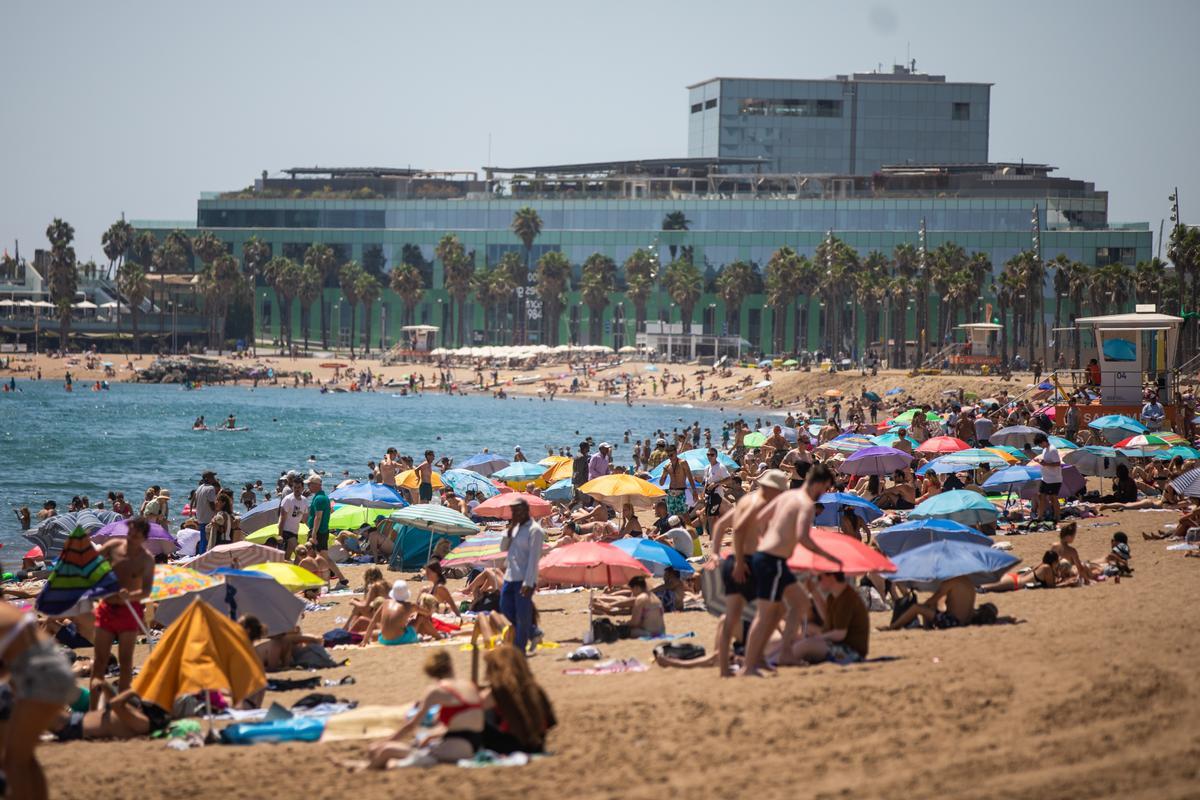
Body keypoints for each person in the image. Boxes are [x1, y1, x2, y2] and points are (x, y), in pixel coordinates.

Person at [740, 464, 842, 677]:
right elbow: (804, 538)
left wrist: (769, 538)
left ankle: (782, 653)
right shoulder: (805, 503)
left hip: (771, 560)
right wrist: (828, 557)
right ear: (820, 484)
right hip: (771, 561)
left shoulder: (788, 495)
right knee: (766, 613)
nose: (824, 494)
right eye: (825, 489)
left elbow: (760, 520)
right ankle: (749, 665)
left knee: (799, 602)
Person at [709, 468, 788, 677]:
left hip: (741, 561)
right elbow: (739, 529)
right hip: (745, 564)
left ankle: (732, 668)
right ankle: (752, 662)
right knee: (769, 612)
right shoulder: (758, 503)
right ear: (772, 489)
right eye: (779, 491)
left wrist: (715, 553)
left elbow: (720, 527)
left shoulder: (747, 500)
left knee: (746, 614)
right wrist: (740, 560)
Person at [0, 604, 81, 800]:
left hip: (42, 676)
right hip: (54, 671)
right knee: (23, 757)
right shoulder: (6, 610)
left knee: (13, 762)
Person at [366, 651, 484, 767]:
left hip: (455, 747)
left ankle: (367, 769)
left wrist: (384, 742)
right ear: (450, 665)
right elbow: (465, 723)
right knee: (389, 752)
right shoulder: (469, 685)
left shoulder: (437, 691)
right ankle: (366, 766)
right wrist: (432, 736)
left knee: (386, 752)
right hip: (474, 744)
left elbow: (411, 725)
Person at [88, 516, 154, 704]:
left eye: (135, 536)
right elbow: (92, 565)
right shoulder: (113, 545)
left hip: (129, 611)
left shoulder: (146, 560)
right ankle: (93, 708)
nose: (130, 539)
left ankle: (121, 707)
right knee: (100, 661)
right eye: (129, 533)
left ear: (143, 538)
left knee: (126, 662)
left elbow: (147, 591)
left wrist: (131, 596)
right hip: (107, 608)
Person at [480, 645, 556, 754]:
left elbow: (476, 716)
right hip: (536, 746)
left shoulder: (495, 692)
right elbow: (551, 722)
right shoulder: (536, 689)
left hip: (504, 747)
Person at [783, 572, 870, 664]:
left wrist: (818, 637)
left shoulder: (848, 598)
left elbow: (840, 634)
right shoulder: (833, 597)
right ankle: (778, 658)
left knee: (805, 645)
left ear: (831, 577)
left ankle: (780, 659)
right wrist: (814, 591)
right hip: (840, 648)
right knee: (796, 642)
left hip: (852, 653)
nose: (818, 582)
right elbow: (827, 621)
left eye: (820, 578)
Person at [499, 499, 543, 654]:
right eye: (513, 511)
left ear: (525, 510)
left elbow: (534, 558)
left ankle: (519, 649)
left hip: (524, 578)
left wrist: (528, 582)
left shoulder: (535, 530)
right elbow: (503, 548)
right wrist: (509, 532)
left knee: (522, 614)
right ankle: (533, 632)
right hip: (510, 576)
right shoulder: (514, 529)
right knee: (505, 608)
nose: (515, 514)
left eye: (517, 511)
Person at [886, 575, 978, 630]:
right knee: (930, 608)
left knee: (917, 608)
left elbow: (931, 601)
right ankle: (927, 628)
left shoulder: (951, 582)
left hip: (953, 622)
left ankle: (892, 627)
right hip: (967, 621)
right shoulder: (968, 582)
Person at [306, 474, 348, 588]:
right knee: (324, 558)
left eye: (309, 484)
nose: (308, 486)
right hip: (323, 531)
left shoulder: (319, 498)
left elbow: (318, 517)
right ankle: (341, 579)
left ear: (316, 485)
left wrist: (313, 534)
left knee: (314, 557)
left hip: (318, 532)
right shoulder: (324, 497)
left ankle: (322, 582)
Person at [361, 580, 419, 646]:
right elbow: (427, 612)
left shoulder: (386, 602)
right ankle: (432, 635)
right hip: (400, 639)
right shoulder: (410, 605)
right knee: (419, 619)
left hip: (383, 640)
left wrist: (364, 640)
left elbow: (373, 621)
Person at [981, 550, 1062, 592]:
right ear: (1054, 562)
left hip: (1013, 577)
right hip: (1015, 582)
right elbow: (1051, 586)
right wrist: (1066, 581)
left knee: (980, 584)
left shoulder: (1041, 564)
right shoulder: (1046, 567)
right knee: (982, 589)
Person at [657, 443, 698, 521]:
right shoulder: (667, 466)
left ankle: (691, 531)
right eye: (669, 456)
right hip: (671, 492)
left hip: (681, 491)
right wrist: (664, 474)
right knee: (672, 515)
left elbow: (690, 478)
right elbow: (661, 483)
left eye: (671, 455)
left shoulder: (683, 463)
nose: (670, 457)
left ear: (676, 453)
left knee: (684, 514)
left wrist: (694, 491)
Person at [1031, 433, 1063, 524]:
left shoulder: (1052, 450)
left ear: (1044, 442)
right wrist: (1040, 461)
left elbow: (1058, 464)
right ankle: (1040, 516)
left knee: (1053, 498)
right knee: (1041, 496)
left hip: (1054, 479)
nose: (1040, 446)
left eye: (1040, 444)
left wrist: (1045, 464)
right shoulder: (1045, 450)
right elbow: (1045, 461)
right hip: (1045, 478)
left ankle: (1057, 516)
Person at [277, 475, 307, 560]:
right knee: (300, 552)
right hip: (286, 531)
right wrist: (280, 535)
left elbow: (305, 519)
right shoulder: (288, 499)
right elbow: (282, 518)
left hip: (295, 531)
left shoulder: (304, 500)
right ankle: (298, 571)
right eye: (295, 487)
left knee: (286, 557)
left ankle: (287, 571)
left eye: (299, 487)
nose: (297, 489)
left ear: (302, 488)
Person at [193, 471, 218, 555]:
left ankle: (200, 555)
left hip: (200, 516)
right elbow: (212, 503)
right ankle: (203, 556)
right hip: (208, 517)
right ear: (208, 478)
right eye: (212, 477)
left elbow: (196, 502)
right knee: (208, 540)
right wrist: (217, 512)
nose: (214, 479)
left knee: (203, 539)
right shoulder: (211, 488)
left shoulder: (200, 487)